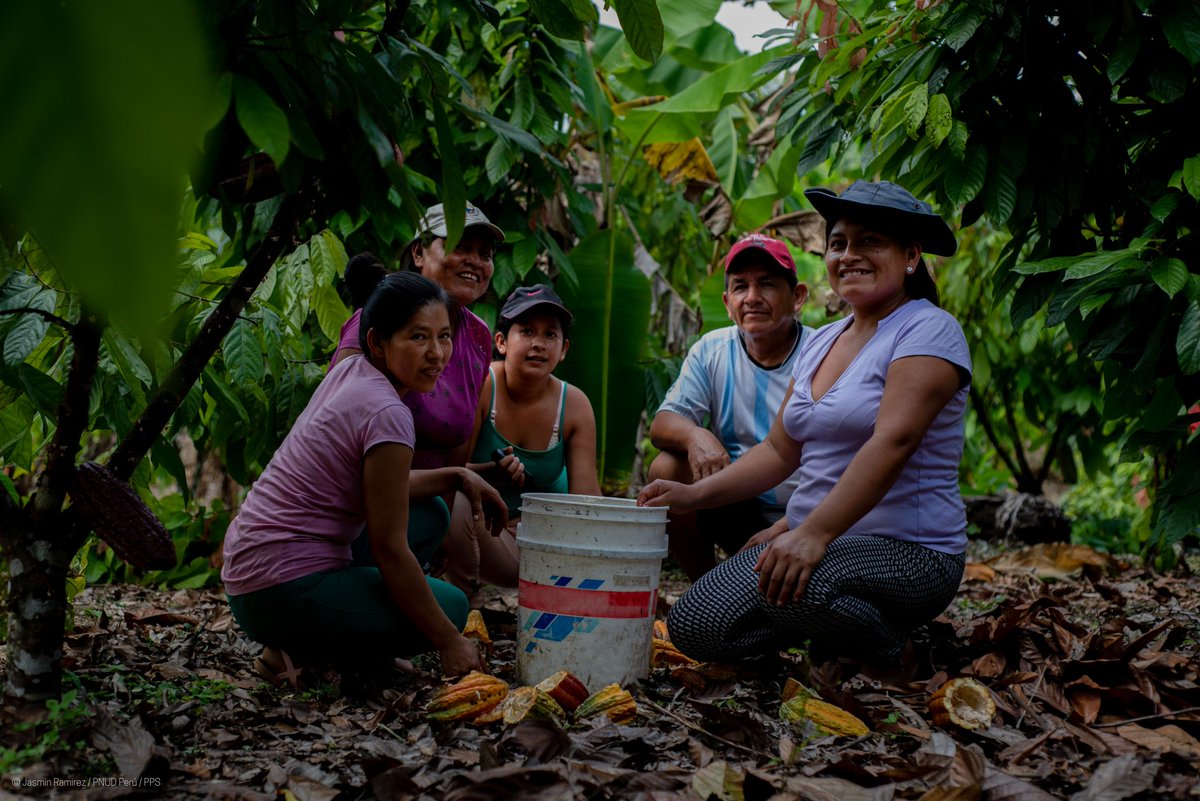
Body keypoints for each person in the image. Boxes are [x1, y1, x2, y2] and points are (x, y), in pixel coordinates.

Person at [638, 180, 971, 669]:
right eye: (839, 243)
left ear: (911, 257)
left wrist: (811, 532)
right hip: (822, 538)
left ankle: (892, 650)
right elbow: (778, 451)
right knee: (695, 622)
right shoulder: (823, 341)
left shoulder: (929, 329)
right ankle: (837, 629)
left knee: (796, 587)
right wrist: (691, 496)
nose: (849, 255)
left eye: (870, 242)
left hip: (912, 551)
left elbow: (894, 440)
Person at [223, 273, 499, 686]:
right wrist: (447, 640)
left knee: (429, 513)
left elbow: (383, 492)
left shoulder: (351, 369)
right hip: (281, 588)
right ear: (377, 343)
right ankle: (310, 648)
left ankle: (323, 642)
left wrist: (458, 475)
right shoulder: (388, 413)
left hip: (251, 574)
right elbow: (390, 550)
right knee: (454, 607)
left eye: (444, 337)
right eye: (418, 337)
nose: (437, 353)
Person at [330, 202, 524, 587]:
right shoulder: (378, 319)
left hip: (432, 495)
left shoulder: (478, 336)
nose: (475, 261)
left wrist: (436, 540)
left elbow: (458, 444)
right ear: (418, 253)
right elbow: (336, 424)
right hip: (359, 494)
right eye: (459, 246)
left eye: (484, 254)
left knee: (496, 572)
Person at [647, 233, 811, 581]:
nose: (752, 298)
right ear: (726, 301)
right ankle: (705, 587)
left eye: (766, 284)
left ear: (797, 297)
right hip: (737, 503)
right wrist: (695, 435)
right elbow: (662, 424)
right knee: (667, 467)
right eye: (740, 287)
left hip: (812, 513)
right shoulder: (712, 350)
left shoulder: (824, 351)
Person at [461, 285, 603, 586]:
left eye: (550, 335)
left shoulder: (574, 405)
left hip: (543, 536)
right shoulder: (483, 385)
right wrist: (491, 474)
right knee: (452, 505)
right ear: (501, 342)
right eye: (526, 331)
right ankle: (464, 594)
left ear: (564, 350)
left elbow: (587, 504)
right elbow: (448, 473)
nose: (539, 343)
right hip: (482, 529)